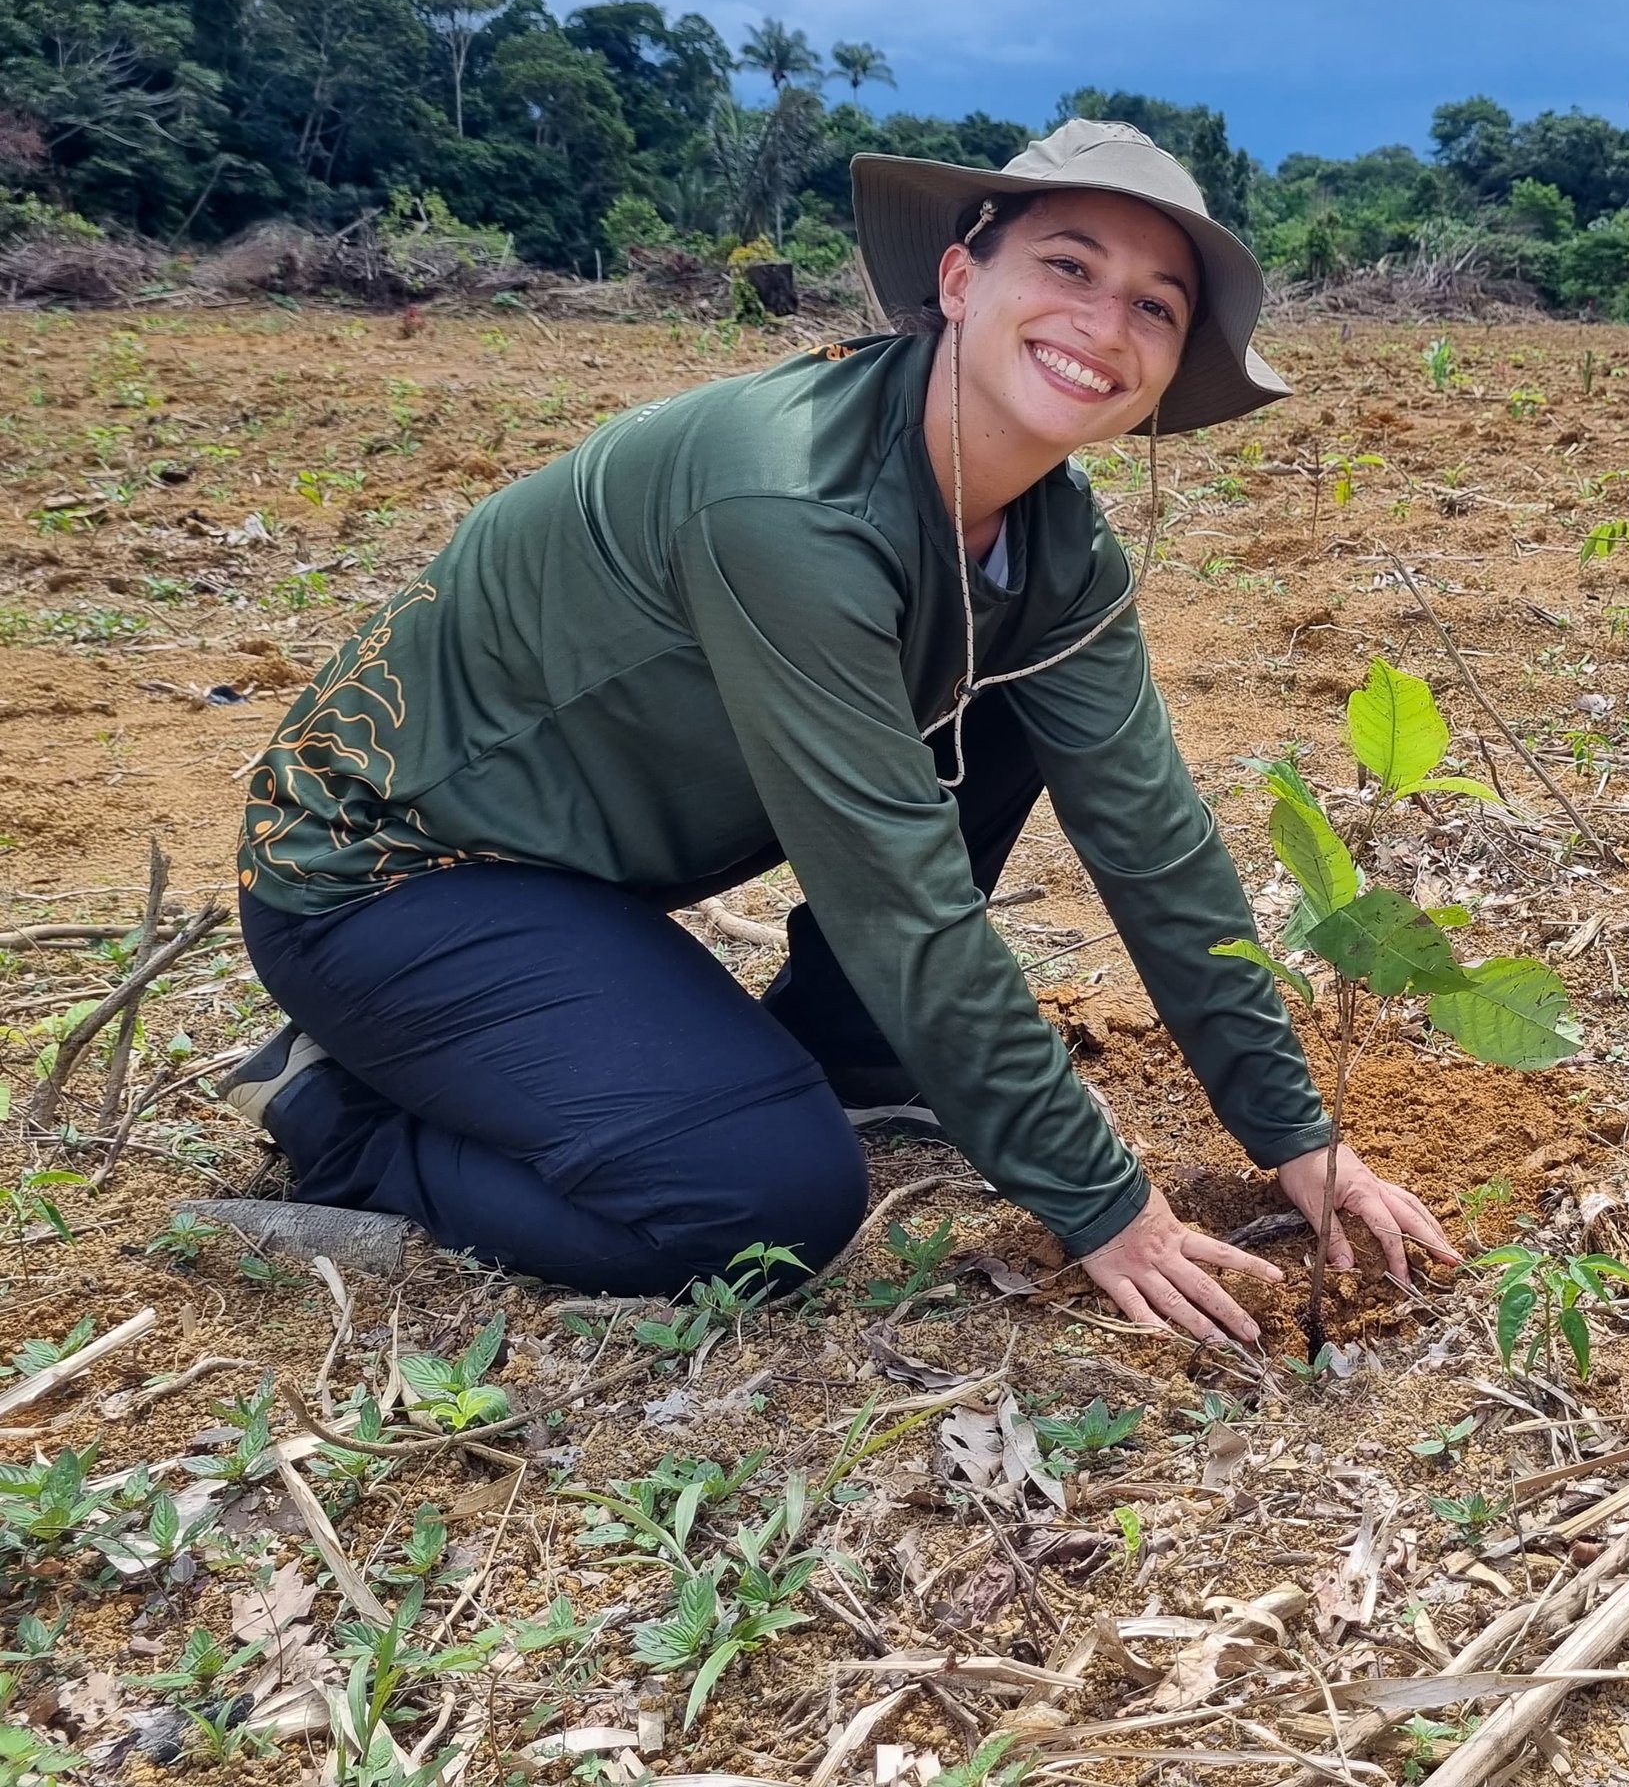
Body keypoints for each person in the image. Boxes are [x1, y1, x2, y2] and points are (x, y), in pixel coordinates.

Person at [221, 120, 1455, 1343]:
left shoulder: (1056, 549)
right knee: (759, 1205)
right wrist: (1101, 1205)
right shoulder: (787, 499)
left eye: (1155, 307)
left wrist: (1297, 1135)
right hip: (394, 872)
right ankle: (338, 1112)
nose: (1103, 325)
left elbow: (1153, 840)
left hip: (593, 863)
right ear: (962, 280)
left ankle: (852, 1050)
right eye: (1068, 268)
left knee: (1017, 694)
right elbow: (900, 896)